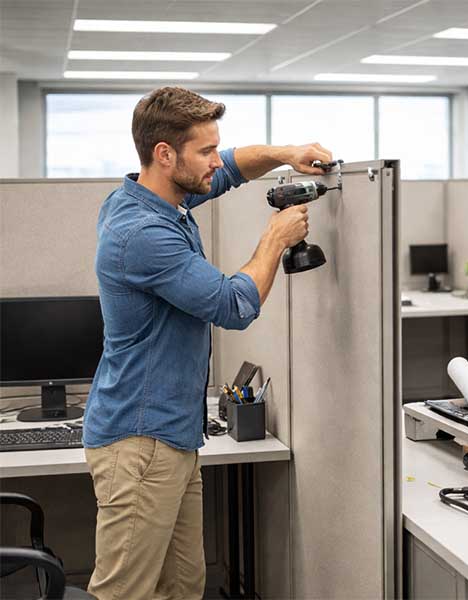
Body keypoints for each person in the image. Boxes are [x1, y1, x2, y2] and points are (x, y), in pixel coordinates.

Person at [83, 86, 332, 599]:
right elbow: (233, 305)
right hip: (141, 442)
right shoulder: (143, 233)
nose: (215, 162)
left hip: (172, 436)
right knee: (124, 592)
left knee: (183, 587)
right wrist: (274, 239)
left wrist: (285, 153)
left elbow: (233, 169)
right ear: (164, 154)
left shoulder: (152, 195)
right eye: (204, 151)